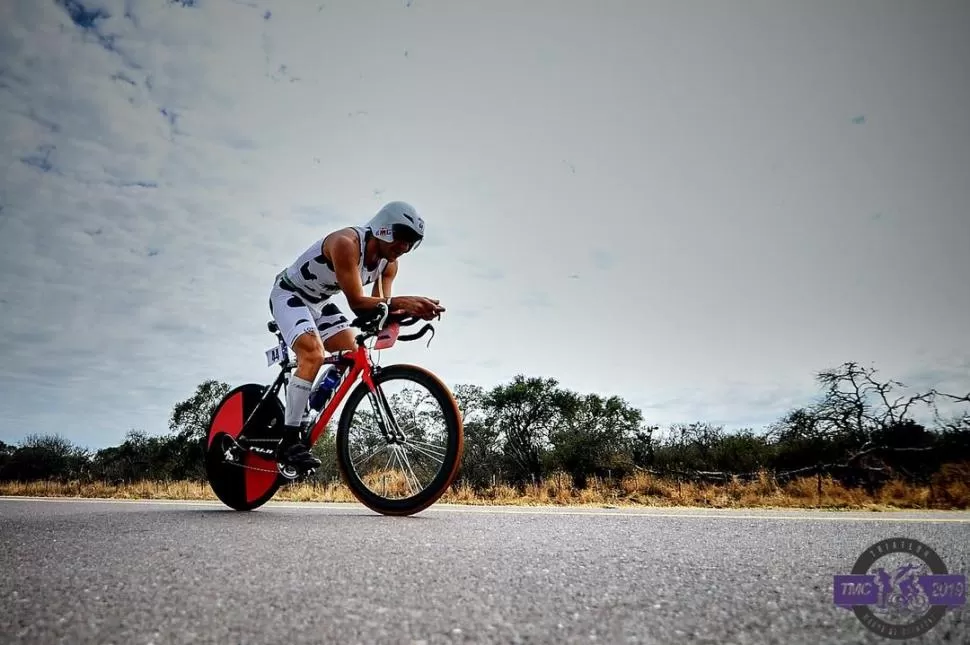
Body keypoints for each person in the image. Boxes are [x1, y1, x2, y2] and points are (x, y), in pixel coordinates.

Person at [268, 201, 445, 470]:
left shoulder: (389, 265)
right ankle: (289, 442)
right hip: (289, 294)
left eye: (412, 242)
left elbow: (379, 306)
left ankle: (313, 402)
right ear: (384, 228)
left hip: (319, 302)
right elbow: (357, 303)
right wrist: (405, 302)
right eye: (402, 237)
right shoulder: (346, 243)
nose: (405, 247)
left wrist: (409, 313)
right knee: (313, 354)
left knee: (352, 351)